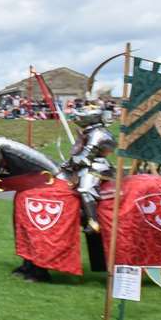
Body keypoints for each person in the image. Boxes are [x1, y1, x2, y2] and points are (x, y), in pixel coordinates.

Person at [58, 99, 115, 232]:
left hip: (97, 167)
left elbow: (85, 157)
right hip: (90, 164)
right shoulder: (89, 132)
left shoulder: (98, 133)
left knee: (85, 188)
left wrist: (70, 163)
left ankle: (94, 222)